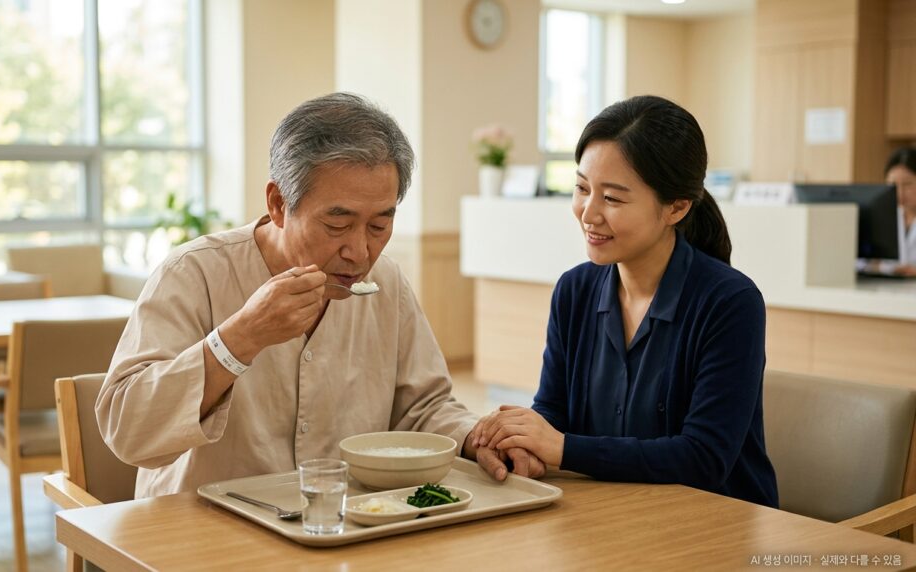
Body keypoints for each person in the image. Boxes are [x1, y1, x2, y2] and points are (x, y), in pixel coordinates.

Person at [96, 92, 542, 497]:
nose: (359, 250)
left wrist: (474, 437)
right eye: (337, 224)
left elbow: (422, 407)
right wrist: (238, 340)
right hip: (202, 534)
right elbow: (129, 430)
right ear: (277, 204)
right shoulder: (193, 273)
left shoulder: (387, 283)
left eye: (380, 225)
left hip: (345, 529)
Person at [471, 95, 779, 507]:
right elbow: (553, 412)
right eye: (582, 188)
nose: (588, 213)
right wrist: (520, 443)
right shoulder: (574, 290)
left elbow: (704, 459)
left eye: (613, 198)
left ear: (677, 207)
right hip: (608, 515)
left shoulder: (730, 302)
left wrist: (561, 448)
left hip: (713, 524)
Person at [862, 147, 916, 276]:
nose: (899, 192)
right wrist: (885, 268)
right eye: (893, 185)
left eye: (908, 184)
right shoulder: (879, 217)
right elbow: (860, 262)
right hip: (888, 290)